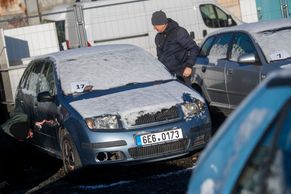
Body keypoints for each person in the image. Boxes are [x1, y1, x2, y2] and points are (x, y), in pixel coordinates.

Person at [151, 10, 200, 85]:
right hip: (168, 75)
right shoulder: (158, 37)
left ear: (162, 23)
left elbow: (194, 48)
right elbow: (160, 56)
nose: (154, 28)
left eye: (155, 25)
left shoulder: (179, 32)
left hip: (182, 74)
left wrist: (189, 66)